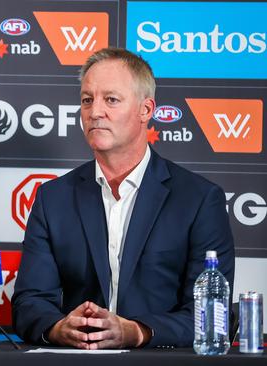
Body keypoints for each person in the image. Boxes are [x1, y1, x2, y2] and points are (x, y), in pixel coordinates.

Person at [12, 48, 234, 349]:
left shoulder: (199, 200)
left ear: (146, 110)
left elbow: (208, 314)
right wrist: (58, 328)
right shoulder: (53, 198)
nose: (95, 112)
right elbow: (29, 302)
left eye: (111, 99)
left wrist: (137, 331)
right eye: (87, 99)